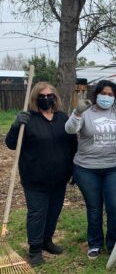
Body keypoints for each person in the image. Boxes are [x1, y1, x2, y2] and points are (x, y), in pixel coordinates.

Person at [65, 80, 116, 259]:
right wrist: (77, 112)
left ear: (114, 97)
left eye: (111, 95)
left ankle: (114, 243)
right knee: (94, 207)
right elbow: (70, 129)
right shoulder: (84, 111)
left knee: (115, 208)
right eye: (104, 93)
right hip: (87, 168)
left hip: (114, 167)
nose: (107, 97)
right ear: (96, 94)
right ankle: (95, 243)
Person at [5, 82, 77, 266]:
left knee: (54, 212)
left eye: (49, 95)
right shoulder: (28, 119)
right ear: (35, 99)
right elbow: (12, 144)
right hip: (35, 178)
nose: (46, 99)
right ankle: (35, 249)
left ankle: (47, 241)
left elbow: (73, 145)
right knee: (37, 213)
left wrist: (74, 170)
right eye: (42, 96)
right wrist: (15, 125)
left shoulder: (63, 118)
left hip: (60, 177)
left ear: (55, 97)